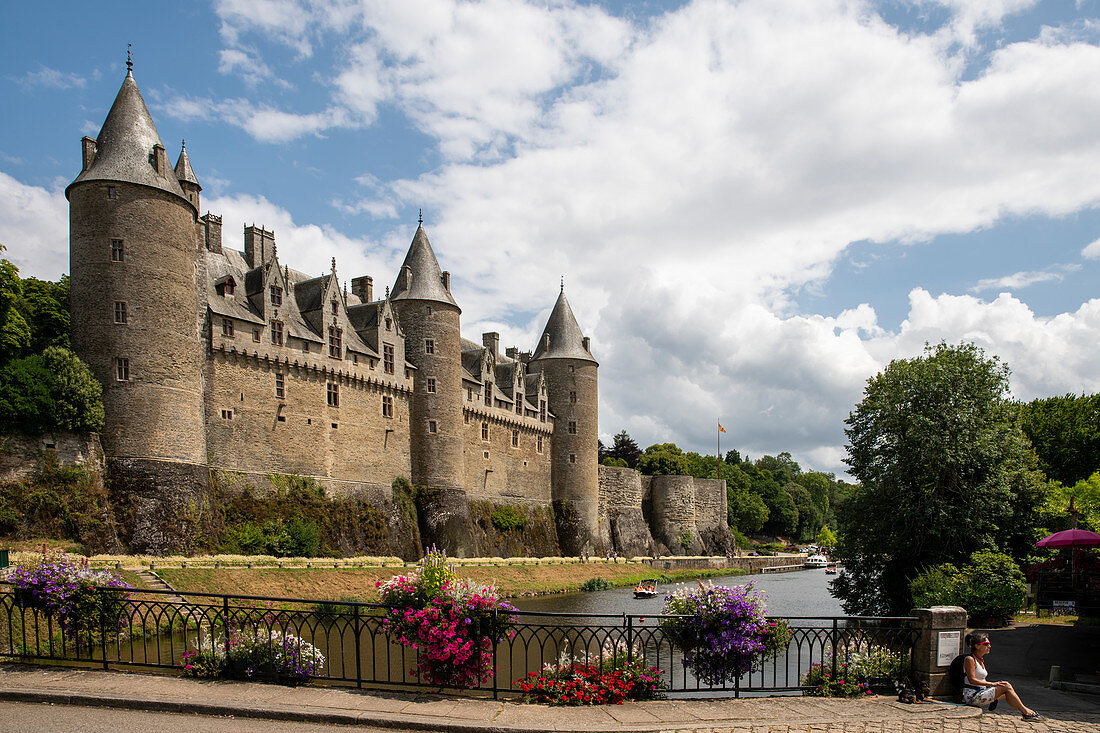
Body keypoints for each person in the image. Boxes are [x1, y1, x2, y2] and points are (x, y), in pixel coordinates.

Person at [961, 632, 1042, 720]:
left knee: (1008, 692)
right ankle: (1026, 712)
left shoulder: (980, 660)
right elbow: (972, 680)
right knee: (1006, 686)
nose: (989, 646)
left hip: (981, 691)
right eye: (986, 644)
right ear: (977, 646)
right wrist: (993, 684)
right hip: (973, 696)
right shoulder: (970, 659)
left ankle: (1025, 711)